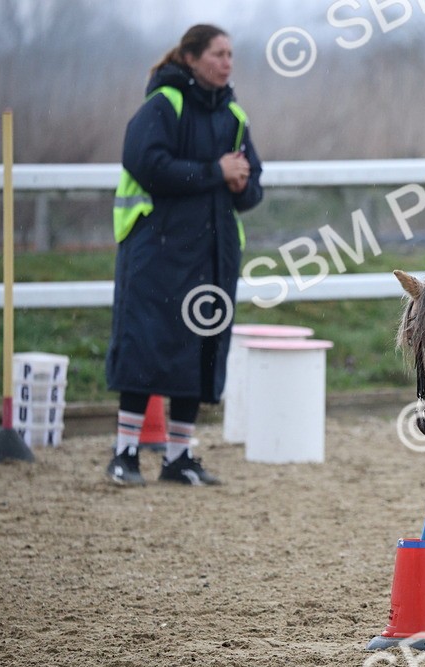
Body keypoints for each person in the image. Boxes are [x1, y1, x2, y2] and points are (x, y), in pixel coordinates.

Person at [105, 24, 263, 486]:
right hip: (156, 252)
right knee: (145, 345)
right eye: (218, 53)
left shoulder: (234, 114)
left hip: (213, 256)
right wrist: (216, 171)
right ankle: (125, 454)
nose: (227, 62)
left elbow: (253, 188)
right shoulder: (162, 105)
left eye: (232, 54)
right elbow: (147, 165)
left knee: (201, 349)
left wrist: (241, 183)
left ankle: (179, 457)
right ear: (191, 58)